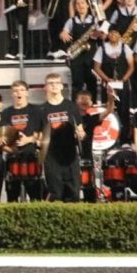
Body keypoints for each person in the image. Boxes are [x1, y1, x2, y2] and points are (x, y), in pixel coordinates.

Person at [37, 74, 85, 202]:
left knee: (74, 193)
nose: (54, 85)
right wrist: (38, 141)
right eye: (50, 83)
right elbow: (40, 135)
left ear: (61, 86)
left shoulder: (71, 106)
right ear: (45, 87)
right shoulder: (42, 109)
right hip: (51, 157)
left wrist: (80, 134)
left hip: (70, 155)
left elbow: (80, 129)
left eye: (56, 82)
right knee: (56, 193)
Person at [4, 81, 43, 202]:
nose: (18, 93)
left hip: (31, 156)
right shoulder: (6, 113)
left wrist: (29, 139)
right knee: (12, 197)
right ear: (12, 94)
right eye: (15, 91)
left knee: (35, 196)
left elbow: (43, 133)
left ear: (27, 92)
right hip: (12, 158)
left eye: (21, 90)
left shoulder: (36, 110)